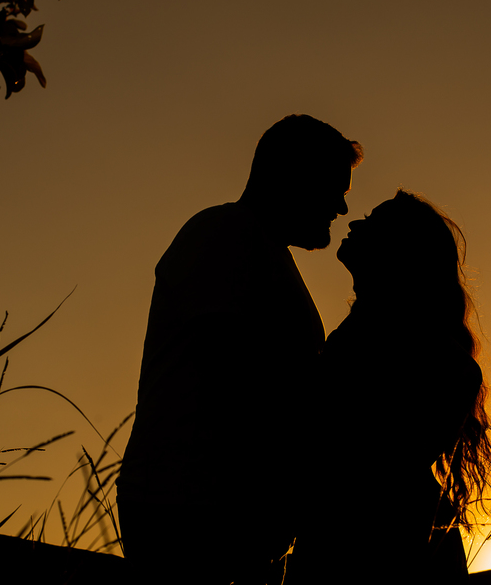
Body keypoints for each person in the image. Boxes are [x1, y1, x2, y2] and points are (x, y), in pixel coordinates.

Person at [117, 115, 363, 584]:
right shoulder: (225, 233)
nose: (339, 208)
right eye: (335, 189)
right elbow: (231, 369)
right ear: (293, 176)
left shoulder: (258, 248)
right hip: (187, 509)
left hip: (215, 509)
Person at [293, 190, 491, 584]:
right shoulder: (360, 335)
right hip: (345, 539)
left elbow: (377, 459)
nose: (354, 224)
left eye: (373, 222)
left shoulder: (443, 361)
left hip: (388, 547)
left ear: (401, 252)